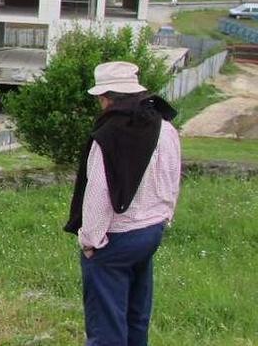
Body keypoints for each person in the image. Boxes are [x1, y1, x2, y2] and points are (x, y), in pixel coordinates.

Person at [65, 61, 181, 346]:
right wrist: (165, 216)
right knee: (135, 315)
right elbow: (173, 174)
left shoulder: (109, 135)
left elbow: (98, 193)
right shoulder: (164, 127)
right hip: (151, 230)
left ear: (105, 98)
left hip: (117, 237)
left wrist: (90, 240)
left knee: (106, 324)